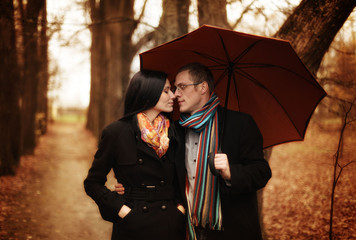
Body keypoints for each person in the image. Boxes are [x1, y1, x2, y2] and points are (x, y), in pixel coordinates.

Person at [172, 62, 272, 240]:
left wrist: (230, 172)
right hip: (188, 230)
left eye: (181, 87)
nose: (176, 94)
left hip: (230, 231)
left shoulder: (240, 124)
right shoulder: (176, 130)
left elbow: (261, 172)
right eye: (174, 88)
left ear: (203, 87)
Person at [84, 70, 186, 240]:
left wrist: (180, 210)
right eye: (166, 90)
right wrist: (122, 210)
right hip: (133, 226)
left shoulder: (176, 132)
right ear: (149, 92)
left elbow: (184, 179)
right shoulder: (116, 132)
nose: (173, 96)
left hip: (170, 223)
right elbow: (93, 183)